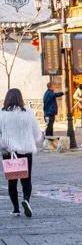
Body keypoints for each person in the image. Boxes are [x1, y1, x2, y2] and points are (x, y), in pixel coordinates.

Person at [0, 88, 43, 218]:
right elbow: (37, 134)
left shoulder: (1, 114)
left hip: (9, 151)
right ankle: (26, 200)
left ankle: (16, 209)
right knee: (26, 179)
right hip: (26, 149)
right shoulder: (28, 113)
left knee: (12, 181)